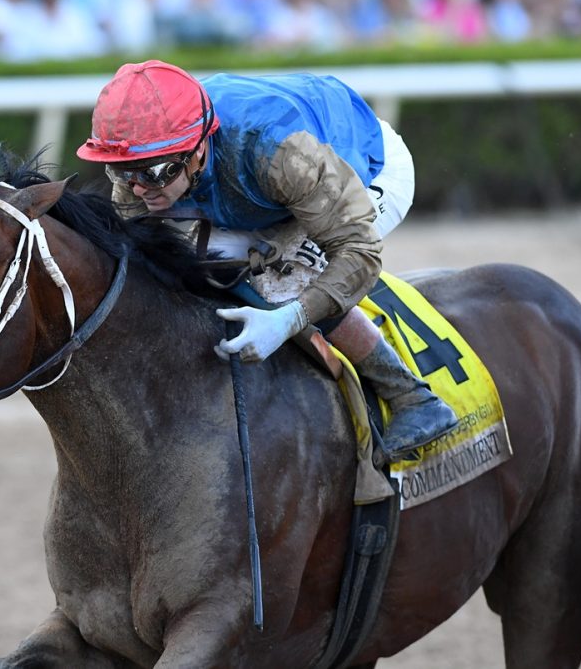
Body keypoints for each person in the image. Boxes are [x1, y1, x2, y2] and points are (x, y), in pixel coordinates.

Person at [76, 59, 458, 463]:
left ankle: (412, 397)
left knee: (284, 284)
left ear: (198, 148)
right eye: (120, 171)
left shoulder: (279, 152)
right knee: (198, 267)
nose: (136, 189)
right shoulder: (146, 165)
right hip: (257, 187)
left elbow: (359, 252)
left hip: (363, 170)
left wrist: (289, 318)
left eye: (151, 173)